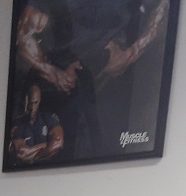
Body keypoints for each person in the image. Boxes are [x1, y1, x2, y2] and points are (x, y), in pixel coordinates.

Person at [14, 0, 170, 159]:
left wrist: (132, 52)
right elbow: (23, 35)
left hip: (98, 82)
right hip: (50, 80)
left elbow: (164, 6)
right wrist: (54, 74)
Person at [9, 84, 64, 165]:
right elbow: (20, 153)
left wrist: (34, 157)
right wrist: (45, 145)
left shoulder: (49, 118)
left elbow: (57, 143)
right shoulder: (18, 124)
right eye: (30, 103)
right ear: (25, 101)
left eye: (35, 103)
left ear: (39, 100)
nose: (32, 107)